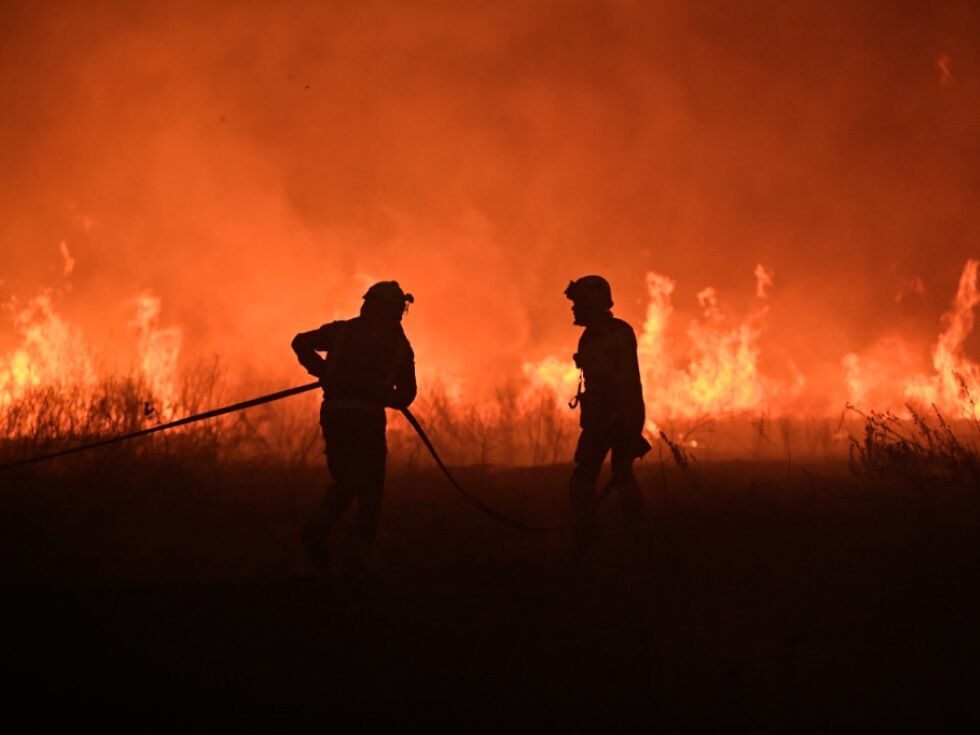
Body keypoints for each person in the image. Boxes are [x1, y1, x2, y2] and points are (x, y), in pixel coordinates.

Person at [291, 281, 417, 575]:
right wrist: (381, 395)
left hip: (335, 417)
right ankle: (354, 555)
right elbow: (406, 394)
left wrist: (323, 371)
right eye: (400, 310)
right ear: (392, 311)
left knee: (347, 480)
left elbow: (300, 342)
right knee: (370, 490)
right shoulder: (399, 346)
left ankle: (319, 532)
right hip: (367, 422)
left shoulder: (343, 332)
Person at [564, 275, 649, 557]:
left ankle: (630, 535)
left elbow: (620, 380)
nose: (574, 309)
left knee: (608, 475)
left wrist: (620, 420)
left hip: (615, 417)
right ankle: (592, 534)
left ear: (593, 303)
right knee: (604, 475)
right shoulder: (595, 335)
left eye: (578, 303)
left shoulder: (615, 334)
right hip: (605, 418)